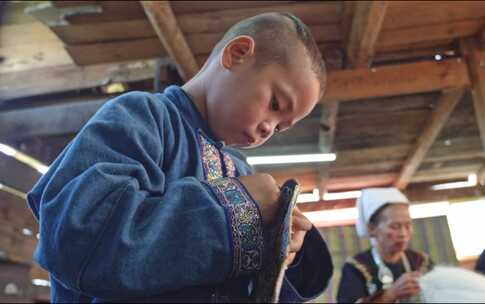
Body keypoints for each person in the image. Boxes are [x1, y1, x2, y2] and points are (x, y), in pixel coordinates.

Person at [26, 12, 332, 302]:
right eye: (275, 103)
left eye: (281, 127)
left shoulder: (240, 169)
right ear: (237, 54)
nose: (268, 128)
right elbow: (77, 239)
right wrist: (233, 209)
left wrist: (282, 252)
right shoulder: (142, 117)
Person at [337, 188, 434, 303]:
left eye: (408, 225)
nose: (403, 233)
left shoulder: (421, 262)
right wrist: (389, 295)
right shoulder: (356, 267)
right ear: (371, 228)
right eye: (395, 226)